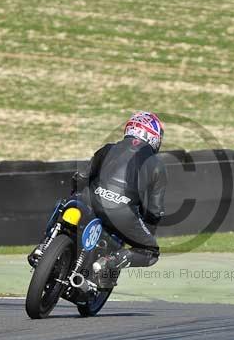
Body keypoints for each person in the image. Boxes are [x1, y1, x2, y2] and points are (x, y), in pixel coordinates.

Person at [70, 111, 167, 284]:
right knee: (152, 252)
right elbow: (154, 211)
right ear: (154, 136)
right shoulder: (157, 165)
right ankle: (110, 262)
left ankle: (44, 246)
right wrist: (147, 226)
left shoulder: (107, 148)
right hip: (122, 215)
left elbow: (81, 177)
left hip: (90, 201)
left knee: (66, 205)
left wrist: (76, 196)